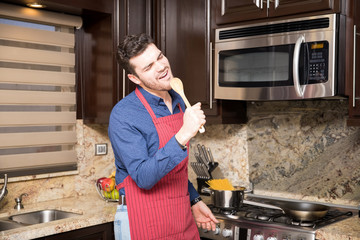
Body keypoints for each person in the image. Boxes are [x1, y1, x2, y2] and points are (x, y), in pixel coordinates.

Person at [108, 33, 218, 240]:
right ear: (134, 78)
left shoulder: (179, 100)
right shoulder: (124, 115)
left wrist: (194, 200)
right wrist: (183, 134)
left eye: (159, 57)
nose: (160, 67)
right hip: (142, 219)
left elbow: (173, 171)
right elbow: (143, 177)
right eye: (148, 67)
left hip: (181, 217)